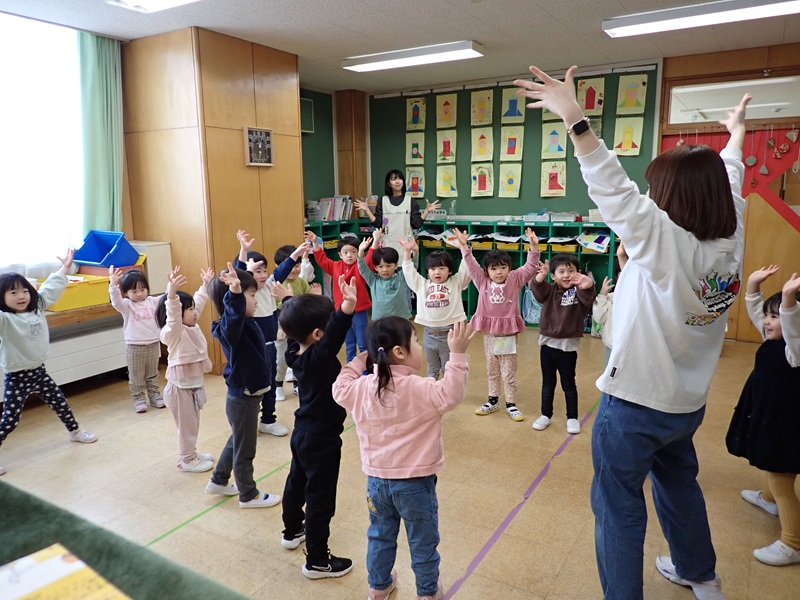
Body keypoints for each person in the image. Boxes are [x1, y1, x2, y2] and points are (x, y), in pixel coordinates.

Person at [516, 65, 750, 600]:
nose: (647, 194)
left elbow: (612, 187)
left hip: (635, 406)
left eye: (654, 189)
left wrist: (574, 116)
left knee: (618, 508)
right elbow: (731, 175)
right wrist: (735, 134)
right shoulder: (731, 233)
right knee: (679, 484)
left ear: (671, 199)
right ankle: (700, 574)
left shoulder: (664, 239)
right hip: (686, 404)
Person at [333, 318, 475, 600]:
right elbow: (453, 393)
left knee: (380, 535)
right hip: (415, 485)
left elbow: (339, 387)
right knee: (422, 540)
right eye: (416, 341)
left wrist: (359, 361)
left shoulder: (362, 387)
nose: (419, 346)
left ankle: (378, 587)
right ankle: (427, 593)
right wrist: (457, 355)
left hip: (377, 483)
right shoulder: (421, 388)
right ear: (399, 352)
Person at [277, 275, 358, 579]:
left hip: (302, 433)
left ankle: (291, 531)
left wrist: (289, 300)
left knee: (296, 484)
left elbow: (295, 327)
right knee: (320, 500)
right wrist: (347, 307)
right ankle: (318, 560)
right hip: (322, 440)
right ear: (317, 334)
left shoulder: (294, 352)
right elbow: (333, 335)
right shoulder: (319, 357)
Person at [726, 266, 800, 566]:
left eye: (776, 316)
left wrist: (789, 300)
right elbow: (760, 316)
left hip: (786, 421)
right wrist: (753, 287)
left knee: (781, 475)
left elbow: (793, 325)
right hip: (771, 413)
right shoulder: (775, 339)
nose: (767, 321)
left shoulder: (795, 348)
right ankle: (769, 499)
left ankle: (792, 543)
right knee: (773, 461)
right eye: (768, 315)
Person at [0, 250, 97, 476]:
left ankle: (74, 431)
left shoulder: (38, 307)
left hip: (39, 372)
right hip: (17, 377)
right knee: (10, 420)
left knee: (60, 402)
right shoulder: (5, 320)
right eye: (13, 292)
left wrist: (65, 268)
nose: (21, 296)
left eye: (25, 290)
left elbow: (51, 287)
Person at [204, 263, 281, 508]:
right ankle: (248, 494)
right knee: (245, 448)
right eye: (251, 295)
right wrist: (236, 294)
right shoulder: (232, 328)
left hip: (247, 396)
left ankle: (219, 480)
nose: (256, 301)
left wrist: (238, 284)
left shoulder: (245, 323)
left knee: (238, 439)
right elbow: (233, 315)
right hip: (243, 397)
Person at [453, 226, 539, 422]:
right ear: (487, 271)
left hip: (507, 334)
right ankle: (493, 401)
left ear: (509, 268)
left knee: (508, 370)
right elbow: (471, 264)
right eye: (493, 268)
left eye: (503, 267)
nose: (499, 272)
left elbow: (530, 266)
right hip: (490, 334)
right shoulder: (482, 280)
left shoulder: (515, 279)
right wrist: (464, 247)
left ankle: (511, 404)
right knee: (492, 369)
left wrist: (533, 247)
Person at [235, 230, 310, 436]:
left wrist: (296, 254)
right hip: (253, 350)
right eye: (257, 271)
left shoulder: (268, 286)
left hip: (269, 347)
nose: (263, 275)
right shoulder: (243, 294)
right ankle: (246, 420)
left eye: (264, 270)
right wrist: (243, 252)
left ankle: (268, 419)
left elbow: (282, 271)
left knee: (269, 384)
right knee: (253, 386)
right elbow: (238, 275)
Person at [155, 265, 215, 474]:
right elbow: (173, 316)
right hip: (179, 390)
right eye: (189, 310)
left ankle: (192, 453)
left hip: (191, 387)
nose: (194, 312)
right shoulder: (173, 332)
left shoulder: (191, 326)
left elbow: (199, 301)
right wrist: (171, 295)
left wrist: (205, 285)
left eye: (193, 308)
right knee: (187, 428)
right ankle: (187, 460)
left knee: (193, 424)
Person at [529, 253, 596, 434]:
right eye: (561, 271)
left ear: (578, 272)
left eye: (571, 271)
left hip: (568, 347)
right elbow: (537, 290)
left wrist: (588, 285)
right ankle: (546, 415)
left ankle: (572, 417)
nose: (566, 275)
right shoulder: (550, 290)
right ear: (553, 276)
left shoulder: (579, 291)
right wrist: (541, 276)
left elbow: (588, 299)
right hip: (548, 345)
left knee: (568, 384)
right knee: (547, 383)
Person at [398, 238, 471, 380]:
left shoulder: (455, 282)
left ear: (450, 271)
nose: (437, 272)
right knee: (432, 370)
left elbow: (466, 267)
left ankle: (449, 391)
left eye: (442, 268)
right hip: (429, 334)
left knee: (448, 369)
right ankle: (433, 391)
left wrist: (464, 247)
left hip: (449, 334)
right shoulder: (421, 285)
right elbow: (408, 271)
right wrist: (407, 251)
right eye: (433, 269)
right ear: (427, 272)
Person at [306, 231, 371, 361]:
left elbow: (369, 259)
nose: (349, 255)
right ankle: (350, 366)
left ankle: (366, 369)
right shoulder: (335, 266)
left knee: (363, 345)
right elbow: (322, 259)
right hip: (342, 312)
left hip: (359, 311)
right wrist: (315, 242)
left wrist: (366, 248)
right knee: (349, 344)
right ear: (340, 255)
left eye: (353, 251)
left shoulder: (361, 266)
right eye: (345, 252)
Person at [108, 268, 165, 413]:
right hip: (135, 346)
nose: (139, 294)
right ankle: (139, 398)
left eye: (142, 289)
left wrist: (172, 285)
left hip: (153, 343)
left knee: (152, 373)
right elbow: (116, 302)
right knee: (136, 375)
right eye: (134, 291)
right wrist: (113, 285)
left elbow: (167, 297)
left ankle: (154, 395)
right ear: (126, 293)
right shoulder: (126, 305)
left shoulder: (153, 301)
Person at [355, 169, 441, 259]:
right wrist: (367, 210)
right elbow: (378, 224)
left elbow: (416, 224)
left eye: (400, 178)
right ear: (389, 184)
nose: (397, 181)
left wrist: (427, 210)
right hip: (387, 246)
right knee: (388, 265)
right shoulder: (383, 201)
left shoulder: (410, 201)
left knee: (406, 266)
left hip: (406, 246)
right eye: (393, 179)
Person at [272, 244, 318, 402]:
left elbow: (307, 300)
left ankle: (297, 383)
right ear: (278, 267)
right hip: (281, 325)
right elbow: (274, 305)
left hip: (298, 325)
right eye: (291, 266)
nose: (294, 269)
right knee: (281, 358)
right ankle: (278, 384)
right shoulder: (276, 282)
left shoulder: (302, 282)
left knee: (299, 354)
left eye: (297, 265)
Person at [357, 230, 411, 321]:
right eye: (380, 267)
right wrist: (361, 250)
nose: (385, 270)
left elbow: (410, 267)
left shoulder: (401, 278)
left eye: (389, 266)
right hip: (379, 320)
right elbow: (362, 268)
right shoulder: (373, 280)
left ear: (396, 265)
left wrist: (409, 251)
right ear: (375, 267)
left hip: (400, 320)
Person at [591, 240, 628, 365]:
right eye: (622, 273)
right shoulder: (610, 298)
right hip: (612, 346)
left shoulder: (641, 297)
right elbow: (599, 318)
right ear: (617, 276)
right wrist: (602, 295)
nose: (627, 277)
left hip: (633, 348)